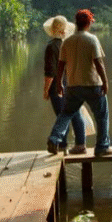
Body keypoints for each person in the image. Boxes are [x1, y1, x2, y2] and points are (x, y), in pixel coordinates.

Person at [46, 9, 112, 156]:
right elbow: (98, 62)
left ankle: (55, 138)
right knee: (102, 115)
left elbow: (60, 65)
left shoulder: (67, 42)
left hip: (73, 86)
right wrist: (105, 81)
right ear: (88, 23)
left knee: (66, 114)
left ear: (76, 23)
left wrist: (59, 84)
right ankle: (102, 146)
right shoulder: (92, 39)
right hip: (92, 85)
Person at [43, 15, 87, 154]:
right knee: (75, 115)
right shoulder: (69, 45)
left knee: (62, 116)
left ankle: (62, 146)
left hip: (58, 88)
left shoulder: (51, 47)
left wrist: (45, 90)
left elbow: (50, 73)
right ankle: (80, 144)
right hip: (72, 85)